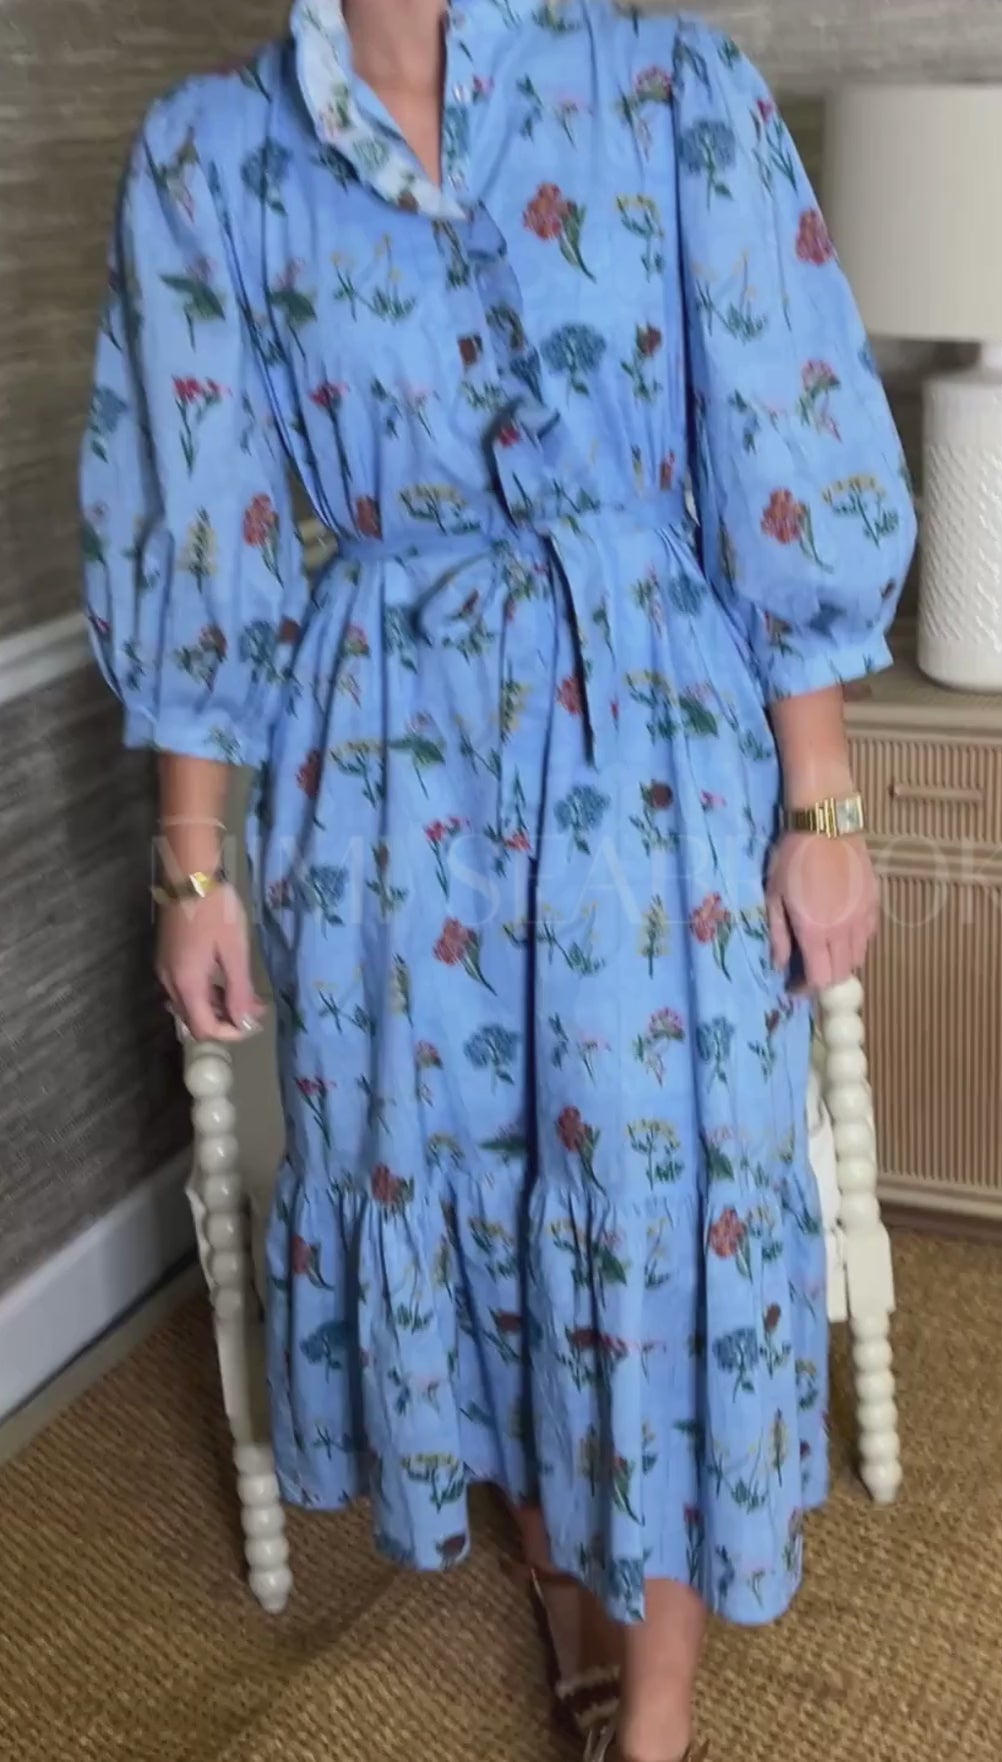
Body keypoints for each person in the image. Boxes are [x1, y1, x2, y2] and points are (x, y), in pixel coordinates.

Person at [80, 1, 914, 1757]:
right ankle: (555, 1575)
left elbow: (780, 441)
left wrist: (822, 802)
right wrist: (191, 866)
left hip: (653, 753)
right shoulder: (212, 162)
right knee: (468, 1193)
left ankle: (656, 1709)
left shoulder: (670, 91)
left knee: (656, 1197)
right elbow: (200, 524)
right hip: (390, 776)